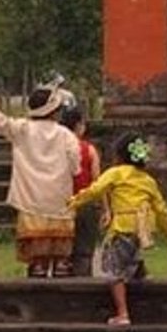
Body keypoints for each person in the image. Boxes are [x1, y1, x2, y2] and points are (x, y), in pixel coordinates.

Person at [69, 132, 167, 326]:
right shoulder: (147, 180)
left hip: (122, 228)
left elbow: (95, 190)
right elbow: (161, 209)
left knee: (114, 271)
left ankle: (123, 313)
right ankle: (141, 274)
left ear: (118, 156)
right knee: (131, 255)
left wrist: (74, 201)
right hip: (142, 230)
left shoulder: (115, 173)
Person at [0, 85, 81, 277]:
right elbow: (75, 163)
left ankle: (37, 265)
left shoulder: (22, 129)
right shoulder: (65, 134)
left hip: (30, 195)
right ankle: (60, 264)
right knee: (60, 233)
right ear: (55, 111)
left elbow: (0, 122)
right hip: (59, 195)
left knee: (34, 235)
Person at [58, 100, 101, 277]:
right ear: (78, 125)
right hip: (84, 203)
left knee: (61, 251)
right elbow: (97, 180)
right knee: (84, 251)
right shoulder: (88, 149)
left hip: (60, 203)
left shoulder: (56, 148)